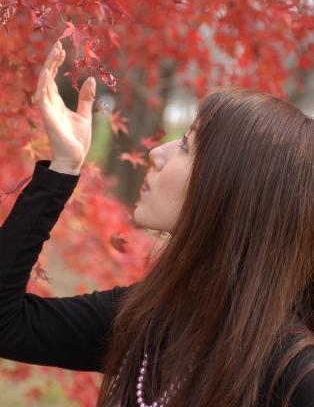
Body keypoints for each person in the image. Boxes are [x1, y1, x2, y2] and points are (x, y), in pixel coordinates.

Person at [1, 41, 314, 407]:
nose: (156, 152)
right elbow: (7, 324)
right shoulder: (147, 315)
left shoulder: (293, 378)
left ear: (231, 190)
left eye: (185, 145)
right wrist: (63, 169)